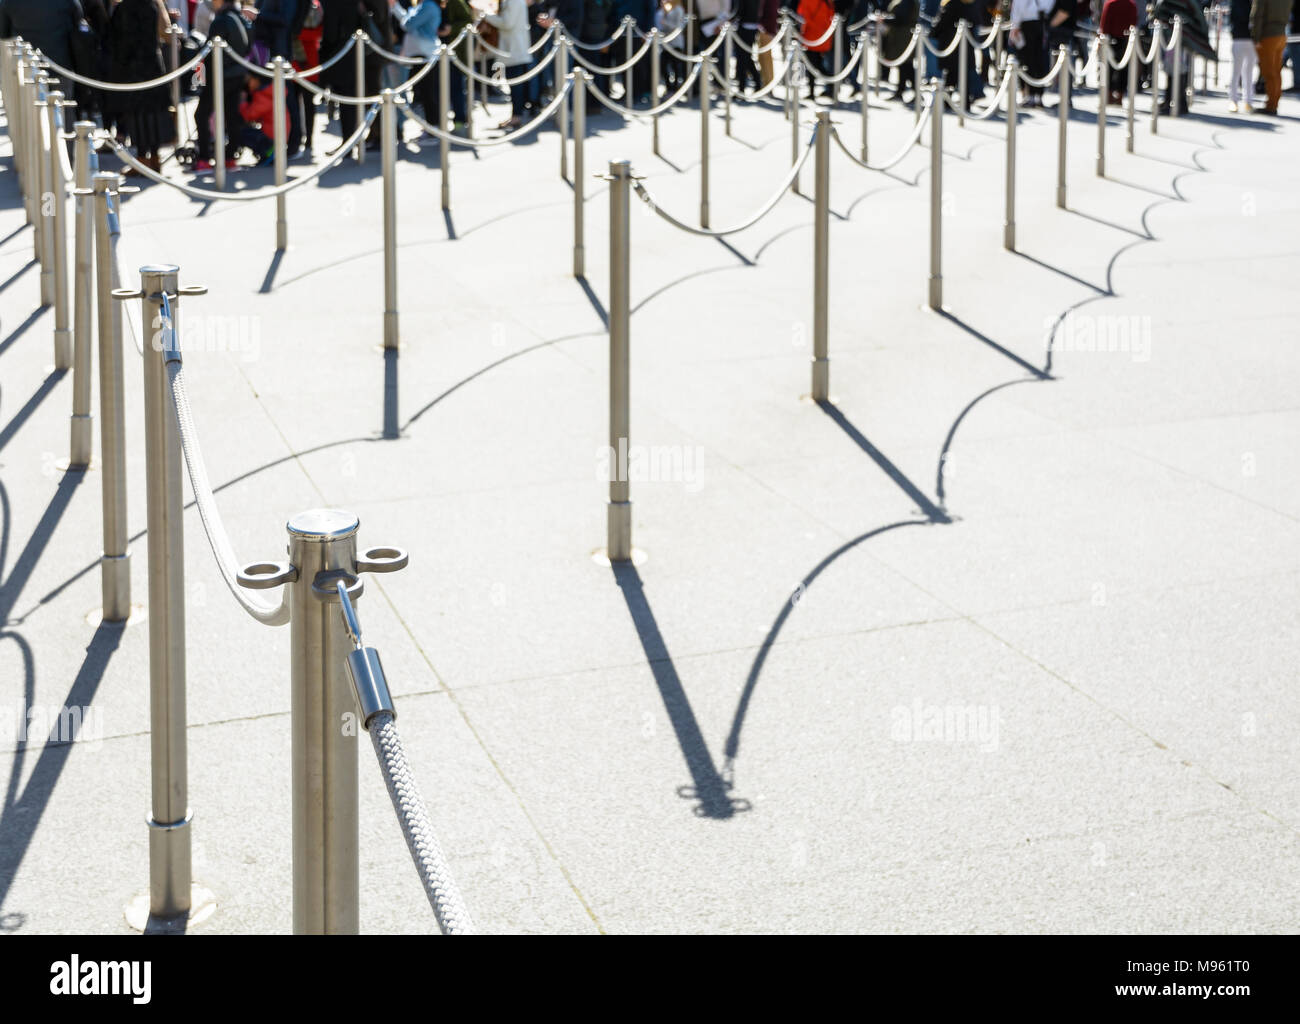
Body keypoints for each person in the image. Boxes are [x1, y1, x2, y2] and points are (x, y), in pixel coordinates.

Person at [107, 0, 173, 174]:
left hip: (132, 68)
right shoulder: (153, 5)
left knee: (138, 116)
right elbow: (164, 33)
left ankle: (143, 159)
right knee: (154, 113)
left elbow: (117, 41)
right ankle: (155, 158)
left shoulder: (123, 8)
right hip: (153, 64)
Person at [194, 0, 251, 171]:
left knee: (201, 115)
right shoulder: (240, 18)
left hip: (220, 76)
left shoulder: (221, 20)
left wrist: (201, 78)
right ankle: (229, 157)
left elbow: (209, 52)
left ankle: (204, 158)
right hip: (237, 74)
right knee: (231, 115)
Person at [389, 0, 441, 138]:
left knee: (429, 94)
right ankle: (431, 127)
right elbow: (408, 20)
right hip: (421, 55)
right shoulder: (424, 5)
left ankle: (433, 129)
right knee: (425, 93)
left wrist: (397, 9)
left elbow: (408, 24)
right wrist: (395, 7)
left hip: (426, 55)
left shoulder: (428, 6)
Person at [484, 0, 532, 127]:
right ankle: (517, 114)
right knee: (516, 84)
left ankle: (517, 116)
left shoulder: (513, 1)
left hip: (514, 49)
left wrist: (487, 15)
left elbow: (507, 23)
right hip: (513, 48)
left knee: (515, 85)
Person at [237, 67, 287, 163]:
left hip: (272, 137)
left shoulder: (265, 97)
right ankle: (267, 150)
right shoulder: (270, 91)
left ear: (257, 80)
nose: (247, 84)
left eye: (249, 80)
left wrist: (243, 101)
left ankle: (267, 152)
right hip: (275, 134)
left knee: (239, 133)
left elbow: (248, 116)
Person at [1009, 0, 1052, 106]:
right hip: (1042, 23)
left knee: (1029, 61)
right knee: (1040, 60)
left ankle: (1031, 96)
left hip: (1027, 24)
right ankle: (1039, 96)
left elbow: (1018, 6)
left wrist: (1015, 25)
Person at [1251, 0, 1289, 114]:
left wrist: (1255, 37)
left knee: (1269, 72)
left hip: (1268, 35)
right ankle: (1274, 102)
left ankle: (1271, 105)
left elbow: (1257, 15)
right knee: (1276, 71)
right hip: (1281, 34)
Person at [876, 0, 918, 100]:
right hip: (901, 37)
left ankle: (908, 91)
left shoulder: (907, 2)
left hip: (902, 38)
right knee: (905, 66)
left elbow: (901, 19)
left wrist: (884, 20)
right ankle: (901, 91)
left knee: (906, 66)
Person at [1099, 0, 1136, 104]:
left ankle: (1109, 95)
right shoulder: (1131, 4)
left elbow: (1104, 24)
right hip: (1126, 41)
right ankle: (1119, 96)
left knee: (1108, 70)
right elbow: (1134, 23)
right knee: (1124, 70)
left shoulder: (1110, 3)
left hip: (1111, 40)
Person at [1228, 0, 1255, 111]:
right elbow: (1236, 17)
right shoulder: (1239, 3)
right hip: (1240, 37)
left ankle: (1248, 101)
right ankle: (1233, 100)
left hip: (1251, 39)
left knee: (1248, 72)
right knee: (1236, 71)